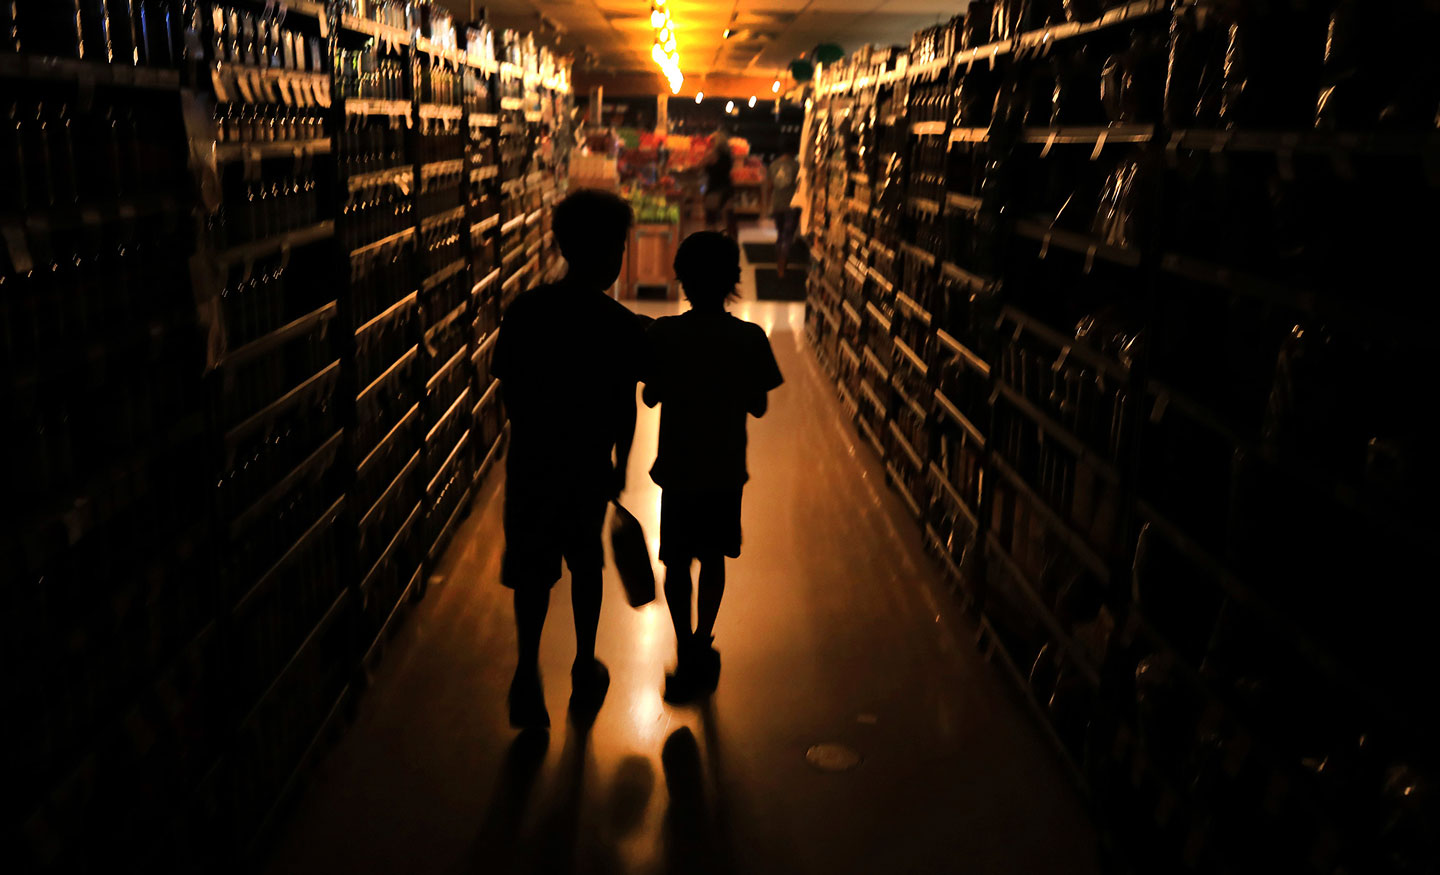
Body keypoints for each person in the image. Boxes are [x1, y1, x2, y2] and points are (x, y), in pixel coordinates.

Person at [491, 189, 646, 730]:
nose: (620, 256)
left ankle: (528, 671)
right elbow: (626, 407)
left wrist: (533, 432)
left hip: (532, 463)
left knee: (533, 570)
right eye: (618, 247)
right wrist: (621, 464)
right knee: (586, 564)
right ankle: (584, 664)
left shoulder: (527, 311)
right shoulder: (618, 324)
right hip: (586, 468)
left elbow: (507, 384)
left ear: (559, 243)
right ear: (608, 252)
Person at [642, 232, 784, 702]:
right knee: (715, 556)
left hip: (679, 468)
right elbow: (760, 407)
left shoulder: (665, 335)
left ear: (681, 280)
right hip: (724, 470)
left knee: (677, 560)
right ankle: (705, 637)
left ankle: (684, 642)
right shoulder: (749, 338)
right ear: (733, 281)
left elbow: (650, 394)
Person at [767, 149, 801, 277]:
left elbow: (770, 186)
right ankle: (782, 263)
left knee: (780, 234)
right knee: (787, 235)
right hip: (791, 205)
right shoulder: (796, 165)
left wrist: (768, 204)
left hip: (777, 205)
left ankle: (779, 260)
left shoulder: (773, 165)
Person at [702, 129, 736, 239]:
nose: (710, 142)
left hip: (714, 189)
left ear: (717, 142)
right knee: (727, 220)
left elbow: (699, 165)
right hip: (728, 189)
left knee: (711, 221)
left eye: (712, 140)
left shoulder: (713, 154)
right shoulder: (729, 155)